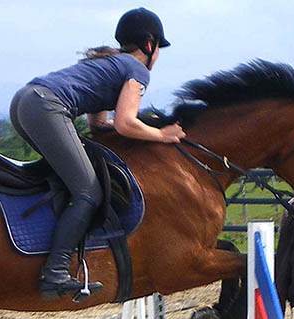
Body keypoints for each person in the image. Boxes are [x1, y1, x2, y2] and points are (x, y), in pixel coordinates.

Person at [10, 7, 186, 299]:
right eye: (159, 49)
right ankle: (54, 271)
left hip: (26, 101)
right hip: (45, 107)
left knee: (73, 179)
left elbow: (98, 123)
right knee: (88, 192)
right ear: (150, 44)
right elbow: (125, 123)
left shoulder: (112, 64)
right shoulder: (136, 69)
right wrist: (161, 135)